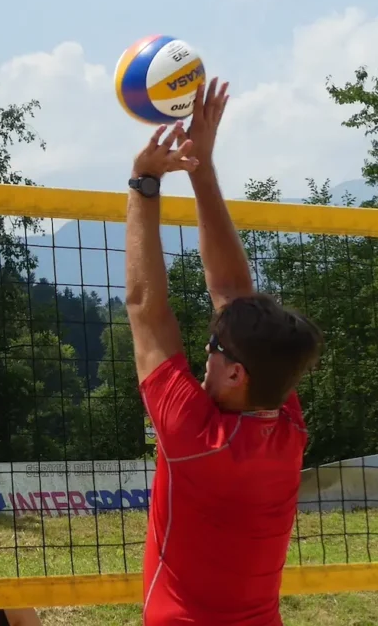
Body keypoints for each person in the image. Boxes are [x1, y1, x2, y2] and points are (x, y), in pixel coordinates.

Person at [125, 79, 324, 626]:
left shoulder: (196, 435)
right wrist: (201, 168)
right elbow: (234, 298)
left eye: (213, 347)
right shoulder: (283, 420)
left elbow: (146, 307)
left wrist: (145, 182)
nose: (204, 351)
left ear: (236, 373)